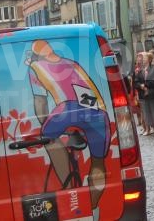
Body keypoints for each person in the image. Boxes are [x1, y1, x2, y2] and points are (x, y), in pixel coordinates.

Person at [26, 40, 111, 215]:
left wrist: (48, 129)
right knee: (98, 162)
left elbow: (40, 104)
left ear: (37, 55)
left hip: (66, 109)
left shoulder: (36, 67)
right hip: (97, 112)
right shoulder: (72, 64)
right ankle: (93, 207)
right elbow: (86, 96)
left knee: (49, 136)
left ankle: (68, 188)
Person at [135, 51, 154, 135]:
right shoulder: (140, 70)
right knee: (146, 112)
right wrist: (141, 86)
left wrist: (145, 85)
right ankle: (148, 129)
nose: (143, 60)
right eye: (143, 58)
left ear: (149, 59)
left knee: (153, 110)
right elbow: (136, 81)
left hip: (152, 92)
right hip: (143, 94)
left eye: (145, 58)